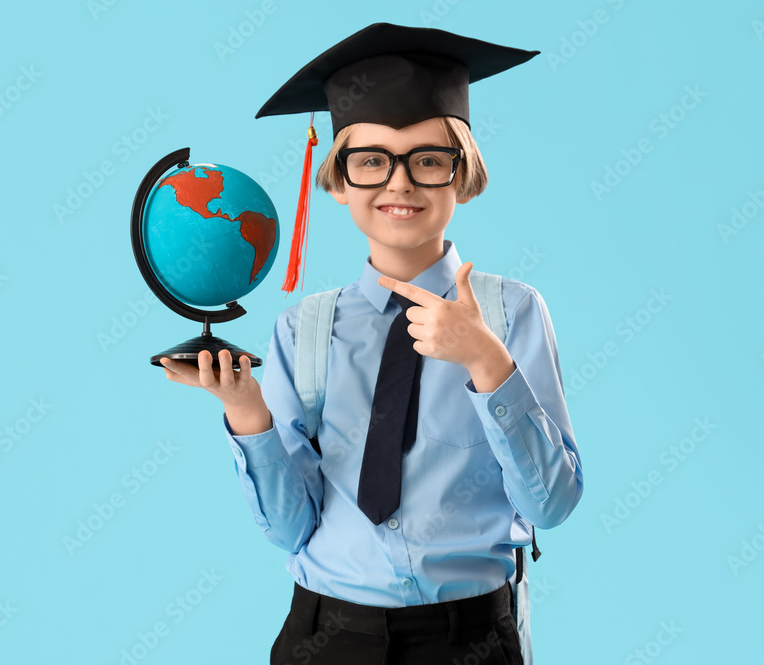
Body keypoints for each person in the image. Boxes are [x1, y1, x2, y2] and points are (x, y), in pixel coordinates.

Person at [160, 22, 583, 665]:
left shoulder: (512, 313)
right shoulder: (303, 330)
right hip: (328, 639)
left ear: (462, 176)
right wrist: (248, 411)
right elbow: (288, 529)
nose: (400, 183)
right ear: (336, 181)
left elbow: (550, 505)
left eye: (429, 160)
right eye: (371, 160)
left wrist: (485, 361)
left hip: (469, 641)